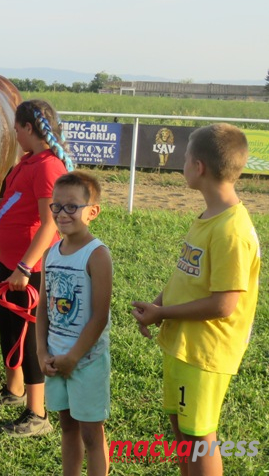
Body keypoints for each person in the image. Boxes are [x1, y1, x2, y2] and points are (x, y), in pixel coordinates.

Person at [132, 124, 260, 476]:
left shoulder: (232, 231)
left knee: (199, 438)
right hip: (183, 345)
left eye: (186, 157)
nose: (183, 162)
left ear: (199, 166)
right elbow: (186, 276)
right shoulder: (207, 216)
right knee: (183, 435)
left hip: (205, 353)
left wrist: (164, 312)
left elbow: (224, 305)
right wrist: (158, 307)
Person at [0, 98, 73, 436]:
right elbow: (12, 201)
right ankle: (14, 391)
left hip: (30, 270)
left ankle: (37, 412)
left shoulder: (48, 168)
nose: (15, 135)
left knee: (29, 338)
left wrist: (26, 267)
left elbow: (49, 224)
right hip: (9, 263)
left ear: (29, 129)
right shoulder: (28, 162)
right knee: (10, 330)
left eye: (17, 130)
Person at [37, 171, 112, 476]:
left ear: (92, 211)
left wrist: (74, 357)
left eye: (72, 207)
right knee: (67, 428)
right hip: (55, 359)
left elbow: (100, 316)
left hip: (86, 362)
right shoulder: (50, 253)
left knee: (92, 436)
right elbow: (43, 307)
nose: (62, 213)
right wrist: (42, 353)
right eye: (56, 206)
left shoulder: (97, 255)